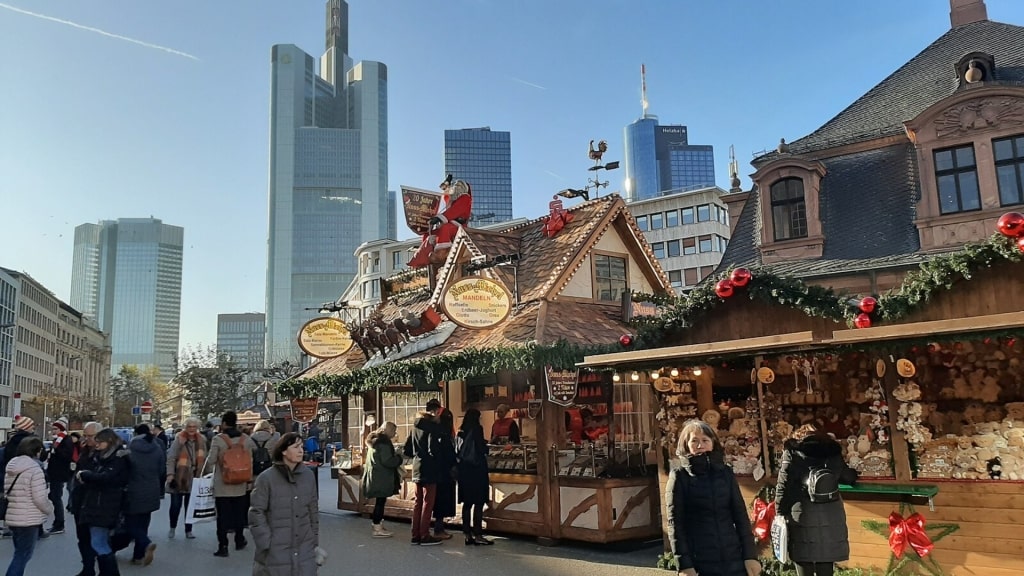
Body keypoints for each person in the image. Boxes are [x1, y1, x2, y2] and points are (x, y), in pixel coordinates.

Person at [666, 420, 760, 576]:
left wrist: (750, 556)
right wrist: (684, 565)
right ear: (686, 445)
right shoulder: (679, 477)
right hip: (699, 560)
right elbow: (675, 525)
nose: (700, 445)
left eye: (705, 440)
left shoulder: (726, 473)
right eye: (694, 441)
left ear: (713, 443)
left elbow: (741, 517)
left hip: (733, 557)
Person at [775, 424, 859, 576]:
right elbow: (847, 476)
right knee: (826, 561)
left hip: (801, 512)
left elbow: (783, 484)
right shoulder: (831, 450)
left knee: (803, 557)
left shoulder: (793, 451)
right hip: (831, 513)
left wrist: (779, 512)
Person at [249, 432, 320, 576]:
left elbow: (313, 509)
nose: (301, 451)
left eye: (302, 447)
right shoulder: (266, 478)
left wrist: (313, 537)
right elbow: (256, 512)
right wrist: (265, 542)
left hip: (304, 546)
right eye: (295, 447)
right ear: (283, 451)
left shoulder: (308, 476)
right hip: (276, 548)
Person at [76, 427, 130, 576]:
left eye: (100, 442)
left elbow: (106, 478)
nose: (97, 445)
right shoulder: (103, 457)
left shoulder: (117, 459)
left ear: (109, 441)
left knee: (98, 542)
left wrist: (86, 475)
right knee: (98, 541)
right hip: (99, 504)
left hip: (105, 505)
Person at [205, 410, 256, 557]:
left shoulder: (218, 439)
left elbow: (211, 460)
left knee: (222, 516)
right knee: (239, 513)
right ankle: (239, 540)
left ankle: (223, 546)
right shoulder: (246, 439)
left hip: (223, 484)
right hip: (240, 483)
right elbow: (250, 460)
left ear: (224, 423)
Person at [3, 436, 54, 576]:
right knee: (23, 555)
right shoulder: (34, 469)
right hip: (29, 517)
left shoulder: (11, 467)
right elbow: (39, 498)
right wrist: (49, 509)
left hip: (13, 515)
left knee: (19, 552)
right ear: (37, 451)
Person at [118, 424, 165, 566]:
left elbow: (124, 471)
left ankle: (146, 543)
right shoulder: (157, 448)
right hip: (152, 490)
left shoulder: (130, 450)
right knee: (144, 523)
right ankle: (138, 556)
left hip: (133, 490)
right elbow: (161, 470)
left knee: (131, 523)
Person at [408, 399, 443, 545]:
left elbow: (407, 448)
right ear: (435, 412)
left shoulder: (415, 427)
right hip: (429, 468)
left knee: (418, 502)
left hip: (416, 466)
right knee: (428, 503)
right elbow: (432, 449)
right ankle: (424, 535)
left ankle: (415, 534)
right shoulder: (432, 427)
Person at [165, 417, 206, 540]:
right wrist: (170, 474)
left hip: (194, 476)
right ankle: (172, 527)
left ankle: (188, 530)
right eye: (189, 426)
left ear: (197, 428)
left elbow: (205, 459)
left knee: (190, 506)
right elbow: (171, 458)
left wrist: (206, 475)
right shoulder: (179, 440)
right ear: (185, 427)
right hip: (179, 476)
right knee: (175, 506)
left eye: (194, 427)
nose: (191, 429)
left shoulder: (202, 440)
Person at [456, 408, 492, 546]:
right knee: (478, 502)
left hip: (464, 470)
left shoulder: (461, 431)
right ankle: (478, 534)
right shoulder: (477, 429)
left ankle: (467, 534)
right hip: (477, 469)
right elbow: (480, 448)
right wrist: (487, 447)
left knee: (467, 503)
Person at [69, 422, 101, 576]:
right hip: (80, 500)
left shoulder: (105, 454)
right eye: (85, 436)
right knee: (83, 538)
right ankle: (87, 568)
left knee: (98, 539)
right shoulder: (84, 452)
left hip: (97, 502)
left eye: (90, 436)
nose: (87, 439)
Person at [361, 421, 402, 538]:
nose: (394, 433)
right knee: (380, 502)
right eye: (393, 430)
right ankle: (377, 527)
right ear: (387, 430)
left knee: (380, 501)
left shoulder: (374, 441)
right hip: (382, 476)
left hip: (375, 475)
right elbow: (388, 461)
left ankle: (378, 525)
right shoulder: (383, 443)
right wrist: (398, 458)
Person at [431, 407, 457, 540]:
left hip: (435, 471)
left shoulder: (434, 432)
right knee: (442, 501)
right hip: (444, 473)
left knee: (436, 501)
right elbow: (449, 454)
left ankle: (427, 529)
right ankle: (439, 529)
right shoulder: (445, 435)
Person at [46, 416, 74, 535]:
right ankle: (57, 522)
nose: (53, 431)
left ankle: (59, 523)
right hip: (54, 473)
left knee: (56, 498)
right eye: (52, 429)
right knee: (54, 496)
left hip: (59, 473)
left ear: (61, 429)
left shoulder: (65, 440)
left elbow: (66, 456)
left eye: (55, 429)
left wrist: (56, 450)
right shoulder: (57, 440)